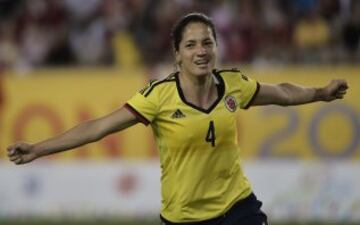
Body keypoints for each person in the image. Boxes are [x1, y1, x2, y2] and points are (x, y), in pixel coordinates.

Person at [7, 13, 348, 225]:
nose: (201, 51)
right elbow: (97, 127)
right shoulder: (158, 96)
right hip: (184, 217)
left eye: (207, 43)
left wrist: (320, 92)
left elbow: (284, 93)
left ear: (216, 46)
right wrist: (38, 148)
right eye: (191, 45)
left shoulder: (234, 85)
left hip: (238, 207)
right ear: (177, 54)